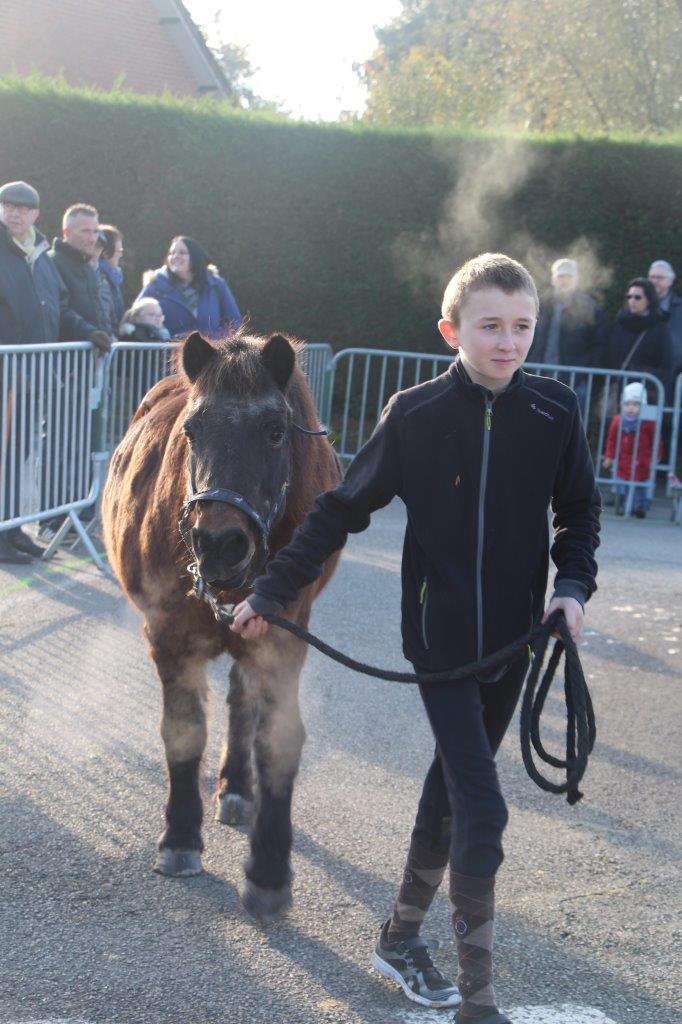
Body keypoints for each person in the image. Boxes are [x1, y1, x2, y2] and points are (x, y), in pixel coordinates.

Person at [230, 253, 601, 1024]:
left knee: (450, 793)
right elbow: (337, 511)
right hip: (439, 644)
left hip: (515, 642)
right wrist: (269, 589)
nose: (507, 342)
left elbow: (579, 514)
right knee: (484, 810)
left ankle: (399, 936)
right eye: (490, 326)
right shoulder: (416, 413)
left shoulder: (556, 411)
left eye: (522, 327)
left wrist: (570, 590)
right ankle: (479, 1001)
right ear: (451, 330)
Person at [0, 179, 66, 563]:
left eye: (23, 208)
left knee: (19, 453)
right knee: (3, 453)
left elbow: (58, 302)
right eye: (8, 206)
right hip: (5, 371)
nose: (14, 213)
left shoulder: (40, 255)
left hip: (30, 374)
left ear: (36, 215)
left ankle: (11, 529)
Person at [137, 235, 241, 339]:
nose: (175, 256)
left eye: (182, 252)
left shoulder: (217, 285)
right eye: (171, 253)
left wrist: (212, 340)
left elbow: (234, 322)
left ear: (195, 257)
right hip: (168, 354)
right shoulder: (155, 284)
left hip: (211, 353)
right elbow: (135, 317)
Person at [48, 204, 114, 354]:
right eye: (85, 231)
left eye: (95, 232)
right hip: (64, 357)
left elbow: (102, 312)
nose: (92, 239)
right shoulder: (50, 263)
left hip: (91, 358)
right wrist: (89, 333)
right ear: (66, 232)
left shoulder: (87, 267)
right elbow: (57, 310)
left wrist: (107, 334)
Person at [529, 257, 606, 369]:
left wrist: (588, 374)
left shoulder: (590, 307)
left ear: (577, 279)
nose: (565, 280)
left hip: (576, 379)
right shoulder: (539, 305)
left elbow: (600, 344)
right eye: (560, 276)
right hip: (539, 375)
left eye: (569, 276)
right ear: (553, 279)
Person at [602, 381, 660, 519]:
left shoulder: (649, 422)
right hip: (622, 457)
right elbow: (611, 439)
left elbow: (656, 441)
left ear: (643, 406)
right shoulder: (618, 420)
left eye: (636, 404)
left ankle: (640, 507)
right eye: (627, 404)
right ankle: (620, 503)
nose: (631, 408)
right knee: (621, 481)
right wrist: (609, 456)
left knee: (641, 484)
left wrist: (656, 457)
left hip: (642, 458)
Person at [609, 278, 673, 398]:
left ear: (649, 300)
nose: (632, 300)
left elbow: (666, 363)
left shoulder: (660, 328)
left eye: (637, 297)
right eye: (629, 296)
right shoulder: (621, 323)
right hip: (620, 388)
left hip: (646, 392)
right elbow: (612, 355)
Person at [648, 260, 682, 380]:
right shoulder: (637, 305)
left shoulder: (680, 309)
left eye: (659, 277)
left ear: (670, 281)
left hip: (673, 375)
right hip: (642, 374)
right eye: (652, 277)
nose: (654, 281)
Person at [98, 224, 125, 327]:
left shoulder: (113, 278)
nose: (121, 255)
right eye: (119, 251)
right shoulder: (101, 278)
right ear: (105, 253)